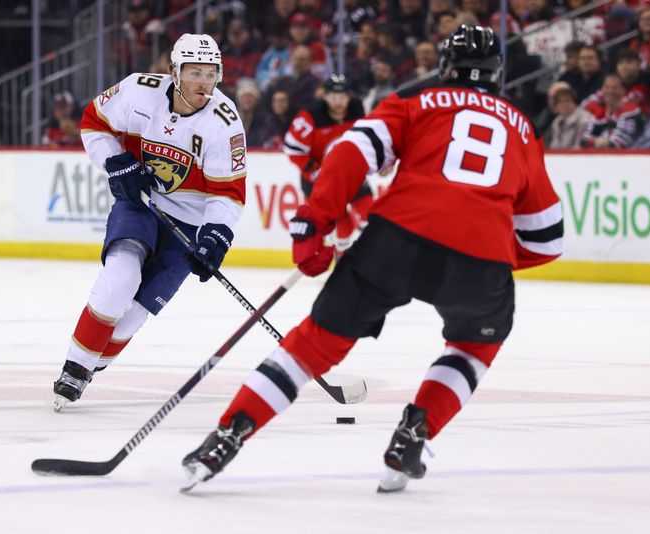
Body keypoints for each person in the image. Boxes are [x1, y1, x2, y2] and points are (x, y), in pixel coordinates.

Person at [182, 25, 563, 493]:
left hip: (395, 240)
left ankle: (226, 437)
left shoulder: (416, 103)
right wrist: (491, 253)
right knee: (473, 348)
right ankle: (412, 436)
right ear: (497, 75)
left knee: (310, 347)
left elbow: (350, 152)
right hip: (479, 261)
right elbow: (547, 239)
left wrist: (314, 221)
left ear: (444, 69)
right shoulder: (523, 130)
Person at [51, 33, 247, 411]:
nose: (203, 82)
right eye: (194, 72)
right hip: (142, 202)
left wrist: (215, 237)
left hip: (188, 226)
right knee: (119, 278)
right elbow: (94, 122)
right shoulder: (139, 91)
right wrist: (115, 160)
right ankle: (74, 369)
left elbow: (228, 193)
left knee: (128, 322)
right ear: (174, 72)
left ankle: (94, 362)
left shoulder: (225, 123)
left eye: (211, 73)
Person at [283, 74, 373, 256]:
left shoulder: (357, 109)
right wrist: (318, 174)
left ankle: (373, 256)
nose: (338, 101)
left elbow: (367, 138)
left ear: (349, 96)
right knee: (344, 225)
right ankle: (341, 256)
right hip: (319, 181)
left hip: (349, 176)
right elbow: (293, 150)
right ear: (324, 96)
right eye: (333, 96)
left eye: (342, 96)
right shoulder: (309, 117)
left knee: (370, 214)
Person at [581, 73, 644, 148]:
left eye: (615, 88)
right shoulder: (600, 111)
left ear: (623, 90)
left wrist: (598, 143)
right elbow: (584, 141)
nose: (610, 91)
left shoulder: (631, 111)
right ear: (601, 89)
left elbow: (619, 144)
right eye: (607, 87)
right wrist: (595, 142)